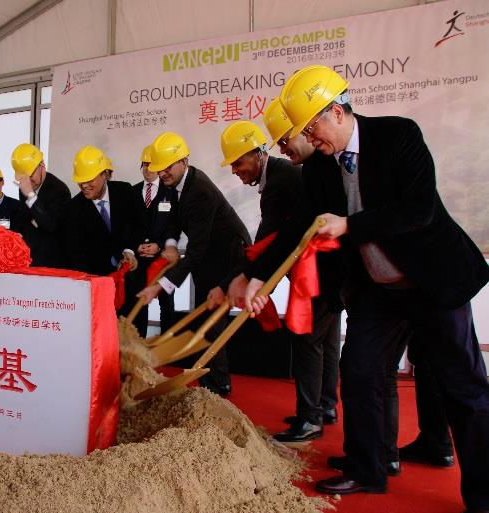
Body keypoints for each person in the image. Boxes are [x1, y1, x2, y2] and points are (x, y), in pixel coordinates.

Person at [243, 65, 489, 510]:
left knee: (463, 386)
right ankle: (367, 468)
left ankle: (483, 493)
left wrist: (350, 225)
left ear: (336, 112)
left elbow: (418, 210)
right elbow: (299, 226)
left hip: (432, 280)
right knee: (358, 370)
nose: (309, 139)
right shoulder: (320, 168)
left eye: (311, 128)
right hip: (380, 291)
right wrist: (259, 276)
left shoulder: (398, 136)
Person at [213, 118, 340, 443]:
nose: (235, 171)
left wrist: (239, 278)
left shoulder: (281, 180)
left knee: (307, 338)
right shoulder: (285, 174)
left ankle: (310, 419)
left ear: (258, 154)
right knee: (326, 338)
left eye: (238, 162)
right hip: (325, 270)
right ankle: (325, 405)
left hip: (320, 270)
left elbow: (266, 241)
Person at [137, 132, 250, 396]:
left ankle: (218, 387)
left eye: (168, 167)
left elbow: (196, 250)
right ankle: (209, 380)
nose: (162, 173)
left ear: (184, 161)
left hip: (227, 255)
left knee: (211, 321)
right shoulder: (171, 183)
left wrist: (161, 286)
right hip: (207, 256)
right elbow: (173, 220)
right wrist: (170, 245)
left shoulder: (200, 190)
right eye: (159, 168)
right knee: (203, 317)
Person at [65, 146, 143, 318]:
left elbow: (137, 225)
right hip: (98, 290)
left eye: (89, 179)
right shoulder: (74, 209)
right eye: (80, 181)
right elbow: (76, 254)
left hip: (131, 284)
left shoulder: (125, 191)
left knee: (134, 329)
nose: (84, 185)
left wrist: (129, 251)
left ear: (105, 174)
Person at [131, 145, 174, 336]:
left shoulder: (170, 191)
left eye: (151, 164)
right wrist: (136, 246)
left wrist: (159, 245)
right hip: (139, 260)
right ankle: (138, 344)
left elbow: (175, 225)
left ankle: (166, 344)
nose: (148, 169)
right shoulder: (132, 192)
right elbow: (127, 225)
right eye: (144, 164)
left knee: (166, 304)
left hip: (163, 258)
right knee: (140, 303)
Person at [10, 143, 71, 268]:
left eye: (30, 175)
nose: (27, 181)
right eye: (23, 177)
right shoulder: (25, 187)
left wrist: (31, 196)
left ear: (42, 165)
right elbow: (25, 218)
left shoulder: (59, 190)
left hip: (52, 261)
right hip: (29, 257)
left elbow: (50, 225)